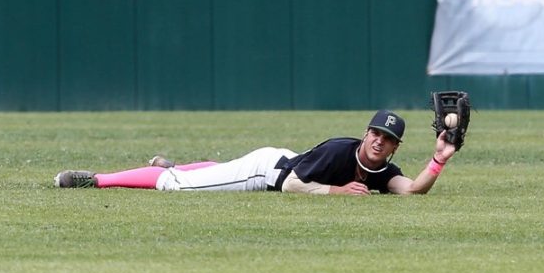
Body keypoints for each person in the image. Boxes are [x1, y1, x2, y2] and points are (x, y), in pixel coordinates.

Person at [54, 110, 456, 195]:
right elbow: (293, 185)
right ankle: (98, 179)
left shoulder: (385, 171)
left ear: (394, 146)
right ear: (364, 133)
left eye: (386, 138)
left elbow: (412, 190)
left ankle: (175, 165)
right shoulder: (340, 151)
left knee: (209, 171)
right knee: (177, 187)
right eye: (374, 133)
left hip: (278, 158)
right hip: (265, 172)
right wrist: (335, 193)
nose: (377, 141)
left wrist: (439, 158)